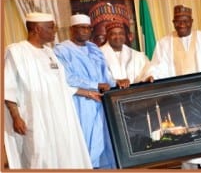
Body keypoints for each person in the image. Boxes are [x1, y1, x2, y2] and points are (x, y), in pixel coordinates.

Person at [144, 5, 201, 169]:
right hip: (179, 100)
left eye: (185, 21)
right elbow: (156, 66)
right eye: (178, 21)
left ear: (191, 21)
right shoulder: (164, 43)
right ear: (173, 22)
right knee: (186, 138)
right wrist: (151, 75)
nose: (182, 25)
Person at [4, 12, 92, 169]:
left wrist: (87, 92)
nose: (55, 30)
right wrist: (16, 117)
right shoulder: (16, 52)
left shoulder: (50, 53)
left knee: (64, 156)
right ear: (37, 29)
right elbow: (7, 87)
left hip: (59, 119)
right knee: (38, 158)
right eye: (51, 27)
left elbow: (60, 85)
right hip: (34, 118)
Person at [53, 14, 128, 169]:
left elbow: (105, 75)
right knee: (86, 142)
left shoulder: (93, 48)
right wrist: (95, 85)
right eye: (82, 28)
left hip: (101, 102)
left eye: (88, 28)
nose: (86, 31)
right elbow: (67, 78)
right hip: (81, 102)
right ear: (72, 30)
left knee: (105, 142)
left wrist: (116, 82)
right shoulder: (61, 50)